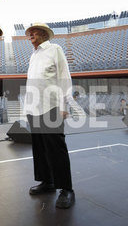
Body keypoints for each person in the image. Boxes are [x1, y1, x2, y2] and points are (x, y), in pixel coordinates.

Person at [24, 22, 75, 209]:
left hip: (51, 107)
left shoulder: (55, 49)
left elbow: (64, 76)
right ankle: (47, 182)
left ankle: (67, 189)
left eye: (34, 31)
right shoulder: (33, 55)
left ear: (44, 34)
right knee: (40, 149)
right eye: (29, 32)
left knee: (56, 149)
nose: (30, 34)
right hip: (34, 108)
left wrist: (65, 104)